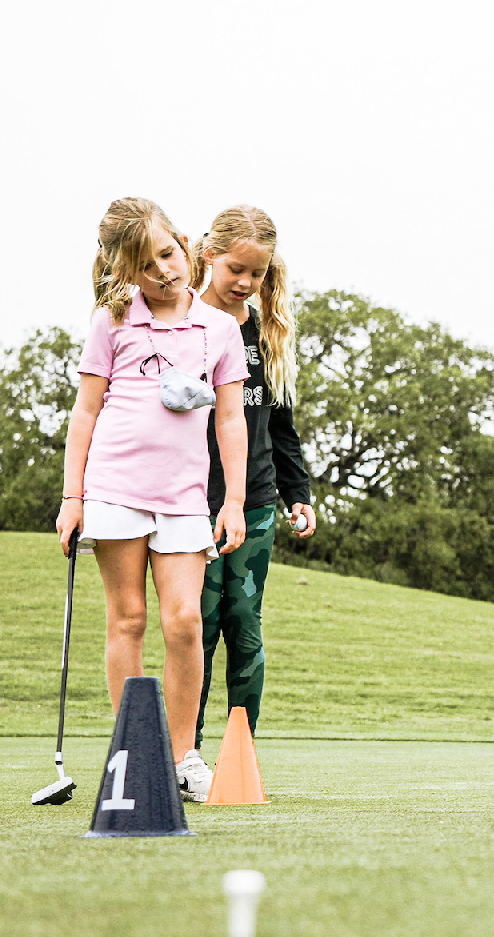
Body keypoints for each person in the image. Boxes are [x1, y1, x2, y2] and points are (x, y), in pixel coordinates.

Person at [56, 197, 251, 806]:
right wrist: (72, 497)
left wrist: (235, 500)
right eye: (146, 265)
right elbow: (86, 411)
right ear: (126, 271)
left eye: (168, 254)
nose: (163, 271)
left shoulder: (220, 328)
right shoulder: (111, 320)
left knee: (185, 620)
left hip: (185, 497)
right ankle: (134, 755)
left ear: (184, 244)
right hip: (114, 489)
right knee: (129, 619)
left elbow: (231, 421)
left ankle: (183, 756)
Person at [191, 204, 318, 768]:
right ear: (208, 256)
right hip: (191, 502)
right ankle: (184, 754)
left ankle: (239, 756)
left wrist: (299, 494)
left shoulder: (267, 333)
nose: (245, 282)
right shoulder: (183, 323)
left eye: (257, 273)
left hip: (258, 503)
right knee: (196, 625)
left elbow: (281, 426)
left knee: (243, 622)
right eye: (235, 269)